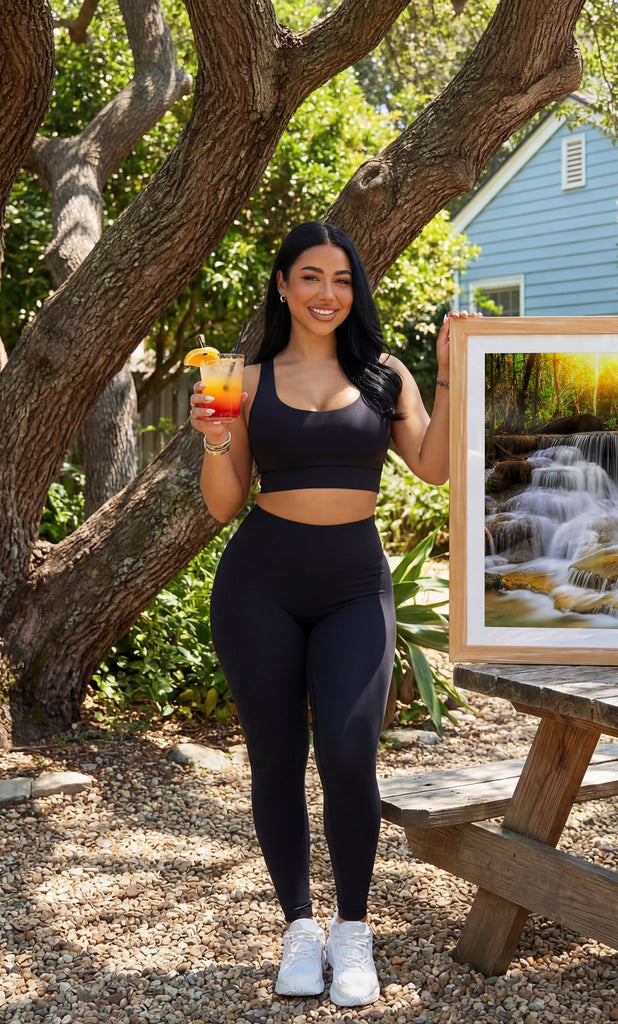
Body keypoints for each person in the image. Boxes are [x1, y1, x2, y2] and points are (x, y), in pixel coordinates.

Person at [189, 221, 472, 1007]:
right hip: (260, 585)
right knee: (275, 759)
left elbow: (436, 466)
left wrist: (446, 376)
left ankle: (353, 931)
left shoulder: (385, 375)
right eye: (310, 277)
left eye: (342, 279)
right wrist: (215, 438)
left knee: (350, 753)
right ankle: (299, 930)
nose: (327, 294)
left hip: (354, 586)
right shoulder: (238, 380)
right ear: (282, 284)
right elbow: (222, 508)